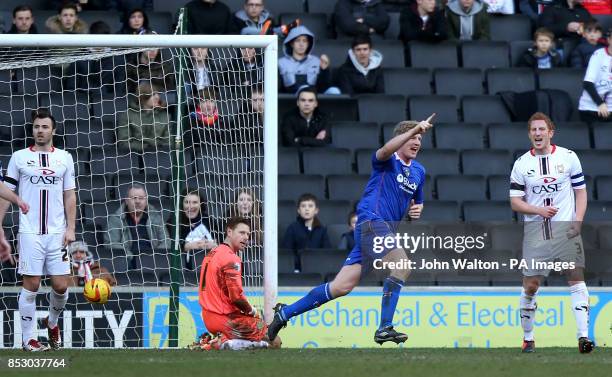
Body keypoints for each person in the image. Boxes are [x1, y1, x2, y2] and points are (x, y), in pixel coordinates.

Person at [267, 115, 433, 345]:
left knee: (341, 286)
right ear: (400, 140)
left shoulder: (419, 171)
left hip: (384, 231)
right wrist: (414, 128)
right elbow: (385, 149)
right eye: (413, 137)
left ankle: (284, 313)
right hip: (371, 223)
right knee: (402, 266)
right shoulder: (387, 160)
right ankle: (385, 327)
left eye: (420, 138)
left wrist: (416, 211)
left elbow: (418, 203)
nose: (417, 142)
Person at [509, 112, 594, 354]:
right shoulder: (522, 164)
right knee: (531, 285)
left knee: (575, 277)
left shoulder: (568, 157)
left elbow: (580, 192)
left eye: (541, 130)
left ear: (550, 132)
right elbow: (515, 202)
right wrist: (539, 210)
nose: (537, 134)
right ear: (529, 134)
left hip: (566, 230)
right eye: (533, 130)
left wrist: (577, 222)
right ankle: (528, 338)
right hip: (536, 232)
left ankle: (583, 338)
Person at [0, 108, 75, 352]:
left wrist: (71, 227)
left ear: (53, 130)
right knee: (31, 284)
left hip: (57, 232)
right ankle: (29, 340)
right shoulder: (19, 157)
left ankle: (51, 322)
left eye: (44, 127)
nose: (40, 131)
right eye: (36, 127)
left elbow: (69, 194)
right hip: (30, 231)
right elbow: (6, 193)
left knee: (61, 286)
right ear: (32, 130)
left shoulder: (65, 157)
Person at [199, 217, 280, 350]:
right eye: (241, 233)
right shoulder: (231, 258)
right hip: (226, 320)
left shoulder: (211, 254)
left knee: (260, 325)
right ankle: (227, 345)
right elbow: (236, 297)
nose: (246, 237)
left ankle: (218, 342)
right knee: (275, 340)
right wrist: (252, 310)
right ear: (229, 232)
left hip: (208, 317)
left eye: (248, 234)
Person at [105, 183, 171, 267]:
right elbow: (110, 243)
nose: (137, 201)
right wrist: (131, 257)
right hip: (129, 262)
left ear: (146, 200)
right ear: (126, 201)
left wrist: (154, 257)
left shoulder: (156, 217)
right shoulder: (116, 219)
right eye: (134, 198)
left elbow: (166, 241)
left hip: (154, 262)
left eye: (141, 198)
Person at [279, 26, 338, 95]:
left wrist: (324, 70)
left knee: (334, 91)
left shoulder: (316, 61)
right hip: (290, 99)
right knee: (303, 89)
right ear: (292, 44)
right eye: (298, 41)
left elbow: (323, 88)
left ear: (308, 44)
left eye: (304, 41)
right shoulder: (281, 63)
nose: (301, 44)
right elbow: (278, 89)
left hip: (313, 99)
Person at [281, 193, 332, 272]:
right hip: (297, 270)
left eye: (310, 206)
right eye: (303, 206)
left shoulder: (322, 230)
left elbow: (326, 252)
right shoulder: (292, 228)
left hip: (317, 269)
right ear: (298, 210)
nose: (307, 209)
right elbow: (287, 253)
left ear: (316, 210)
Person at [169, 189, 217, 270]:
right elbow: (169, 247)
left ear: (200, 205)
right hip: (182, 270)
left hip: (210, 266)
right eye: (187, 202)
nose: (190, 206)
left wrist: (211, 245)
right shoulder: (173, 222)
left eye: (194, 202)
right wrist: (186, 246)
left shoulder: (208, 221)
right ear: (181, 204)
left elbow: (218, 242)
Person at [117, 82, 170, 153]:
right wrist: (148, 146)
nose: (157, 97)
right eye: (153, 94)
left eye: (158, 94)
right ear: (143, 97)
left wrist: (146, 143)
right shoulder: (127, 115)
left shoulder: (165, 116)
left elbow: (168, 143)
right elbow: (124, 143)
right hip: (134, 157)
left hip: (159, 157)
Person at [578, 29, 612, 123]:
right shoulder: (599, 55)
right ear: (609, 40)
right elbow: (587, 83)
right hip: (592, 108)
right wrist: (600, 103)